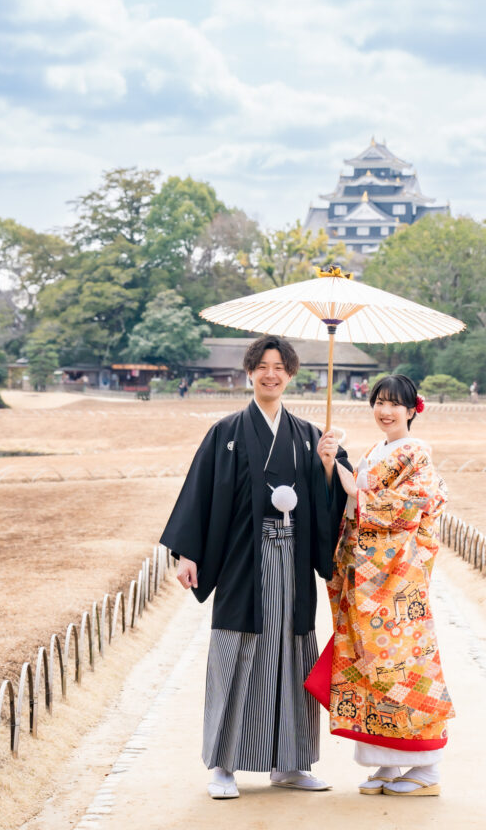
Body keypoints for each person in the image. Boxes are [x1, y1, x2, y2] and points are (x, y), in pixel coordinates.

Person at [160, 335, 349, 800]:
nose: (271, 373)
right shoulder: (226, 432)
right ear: (249, 372)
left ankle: (291, 762)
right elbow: (199, 493)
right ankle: (224, 764)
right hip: (247, 561)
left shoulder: (308, 435)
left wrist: (327, 465)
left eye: (279, 366)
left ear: (290, 374)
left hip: (293, 563)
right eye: (262, 366)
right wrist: (189, 553)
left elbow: (333, 501)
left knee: (291, 653)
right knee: (236, 654)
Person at [308, 374, 455, 797]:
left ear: (413, 410)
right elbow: (353, 500)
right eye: (379, 402)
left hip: (396, 580)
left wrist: (354, 484)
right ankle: (389, 763)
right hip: (367, 571)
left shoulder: (416, 455)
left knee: (404, 663)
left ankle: (425, 768)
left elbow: (411, 508)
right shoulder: (378, 451)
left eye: (395, 403)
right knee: (370, 661)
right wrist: (330, 463)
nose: (385, 410)